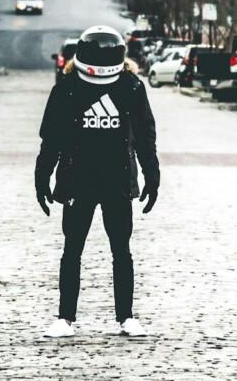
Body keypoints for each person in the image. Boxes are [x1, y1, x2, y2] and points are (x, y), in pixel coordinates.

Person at [35, 25, 160, 338]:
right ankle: (65, 318)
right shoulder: (66, 89)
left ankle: (126, 317)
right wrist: (42, 177)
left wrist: (152, 175)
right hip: (78, 180)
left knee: (121, 249)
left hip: (117, 180)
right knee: (72, 249)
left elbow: (145, 136)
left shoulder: (131, 87)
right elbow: (51, 139)